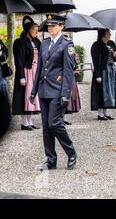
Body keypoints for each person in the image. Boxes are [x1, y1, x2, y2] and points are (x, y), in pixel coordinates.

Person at [30, 14, 77, 170]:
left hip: (57, 90)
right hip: (43, 90)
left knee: (54, 123)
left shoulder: (67, 44)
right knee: (45, 126)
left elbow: (68, 71)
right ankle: (51, 159)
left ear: (61, 26)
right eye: (49, 26)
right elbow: (39, 69)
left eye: (53, 25)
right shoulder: (44, 43)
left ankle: (71, 152)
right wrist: (33, 90)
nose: (50, 28)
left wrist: (65, 93)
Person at [12, 16, 41, 130]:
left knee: (33, 96)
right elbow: (19, 60)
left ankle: (30, 121)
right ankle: (24, 123)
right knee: (25, 96)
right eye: (34, 30)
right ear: (28, 29)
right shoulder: (20, 42)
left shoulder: (36, 41)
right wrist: (21, 76)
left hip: (35, 72)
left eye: (37, 30)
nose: (36, 32)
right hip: (26, 71)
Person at [91, 29, 116, 120]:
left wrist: (114, 55)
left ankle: (105, 112)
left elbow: (113, 59)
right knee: (101, 92)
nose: (110, 35)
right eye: (108, 33)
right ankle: (100, 113)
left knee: (108, 92)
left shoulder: (109, 45)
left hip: (109, 72)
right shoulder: (97, 45)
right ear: (103, 35)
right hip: (102, 72)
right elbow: (96, 61)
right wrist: (98, 74)